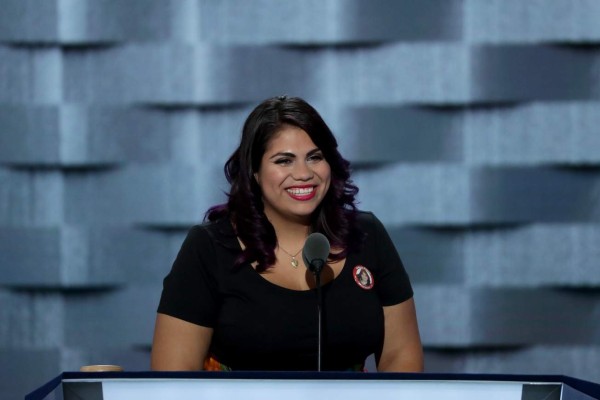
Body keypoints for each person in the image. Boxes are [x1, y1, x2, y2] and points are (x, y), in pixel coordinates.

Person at [151, 96, 423, 372]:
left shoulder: (367, 235)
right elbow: (174, 374)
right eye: (284, 161)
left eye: (315, 157)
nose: (303, 174)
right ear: (254, 172)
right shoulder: (209, 247)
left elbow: (401, 357)